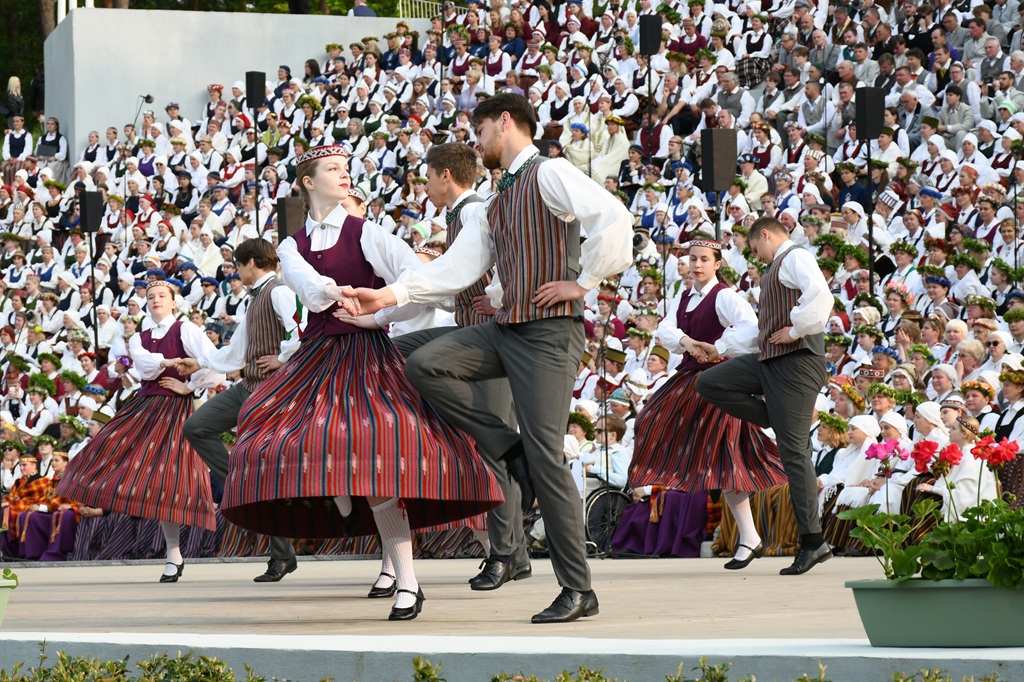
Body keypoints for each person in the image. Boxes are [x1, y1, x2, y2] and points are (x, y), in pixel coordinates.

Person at [339, 93, 633, 623]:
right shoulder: (498, 198)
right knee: (426, 364)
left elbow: (613, 217)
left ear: (505, 122)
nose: (476, 144)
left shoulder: (549, 172)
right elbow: (457, 268)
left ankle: (578, 589)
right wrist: (386, 297)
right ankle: (506, 446)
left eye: (479, 131)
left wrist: (583, 281)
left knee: (547, 458)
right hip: (506, 328)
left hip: (547, 334)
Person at [218, 144, 504, 621]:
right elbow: (306, 283)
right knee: (263, 424)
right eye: (333, 168)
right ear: (308, 182)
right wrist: (335, 292)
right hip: (317, 357)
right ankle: (345, 499)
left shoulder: (367, 232)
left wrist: (378, 315)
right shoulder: (291, 246)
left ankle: (406, 581)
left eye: (347, 168)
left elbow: (416, 281)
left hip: (365, 354)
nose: (344, 174)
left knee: (380, 450)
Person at [382, 142, 531, 592]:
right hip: (470, 332)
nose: (425, 186)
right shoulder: (459, 215)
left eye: (428, 177)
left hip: (491, 340)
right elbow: (455, 288)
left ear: (445, 175)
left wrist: (501, 296)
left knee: (493, 446)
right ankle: (514, 553)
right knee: (390, 350)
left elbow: (511, 257)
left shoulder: (474, 212)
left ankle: (505, 554)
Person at [629, 239, 788, 570]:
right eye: (693, 259)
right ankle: (749, 537)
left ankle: (750, 538)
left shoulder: (724, 295)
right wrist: (687, 341)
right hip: (690, 379)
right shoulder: (685, 295)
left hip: (717, 383)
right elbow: (666, 328)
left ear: (717, 264)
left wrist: (718, 347)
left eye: (704, 259)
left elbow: (751, 328)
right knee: (649, 420)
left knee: (724, 459)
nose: (697, 264)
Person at [55, 280, 225, 582]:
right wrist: (168, 362)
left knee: (167, 480)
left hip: (174, 410)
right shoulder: (139, 337)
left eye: (162, 296)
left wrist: (189, 387)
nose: (156, 300)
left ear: (174, 302)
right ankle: (163, 546)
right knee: (106, 447)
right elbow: (145, 365)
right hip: (144, 406)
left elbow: (214, 364)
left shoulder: (185, 329)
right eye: (151, 296)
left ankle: (173, 553)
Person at [695, 215, 833, 576]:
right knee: (710, 382)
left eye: (755, 247)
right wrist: (719, 348)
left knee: (794, 453)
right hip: (771, 361)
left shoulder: (795, 257)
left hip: (796, 363)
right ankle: (778, 419)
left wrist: (797, 329)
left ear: (767, 235)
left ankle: (814, 541)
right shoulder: (777, 267)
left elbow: (821, 296)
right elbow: (763, 331)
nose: (755, 255)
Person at [177, 238, 304, 583]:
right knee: (197, 427)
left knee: (266, 474)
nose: (235, 272)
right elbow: (236, 351)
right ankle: (237, 480)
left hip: (275, 394)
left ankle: (282, 554)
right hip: (249, 387)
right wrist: (200, 362)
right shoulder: (255, 299)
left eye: (236, 265)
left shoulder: (279, 292)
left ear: (251, 263)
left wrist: (282, 358)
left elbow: (303, 331)